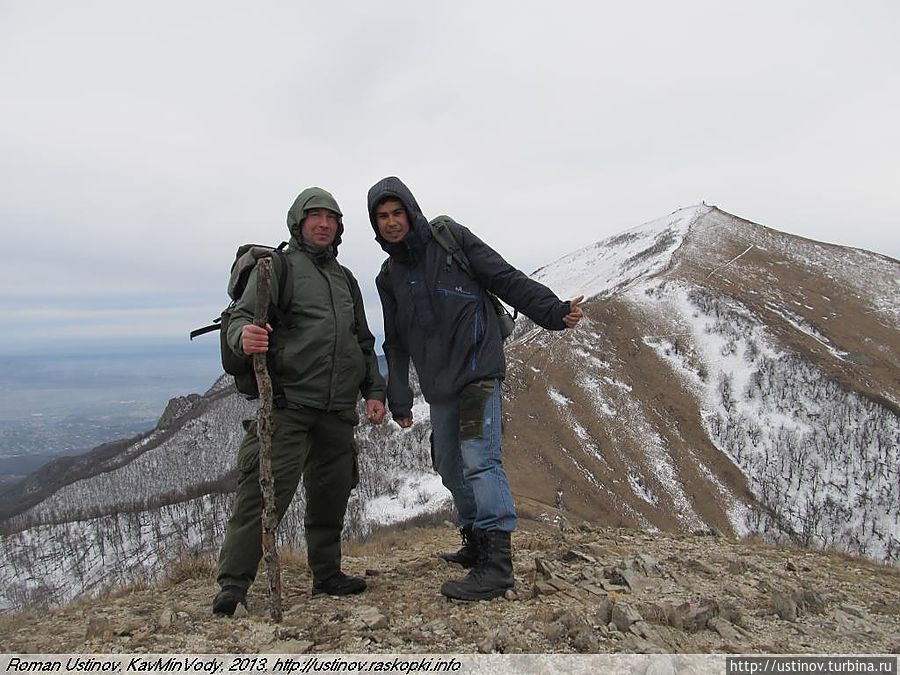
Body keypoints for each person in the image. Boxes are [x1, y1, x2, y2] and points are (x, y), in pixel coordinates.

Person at [368, 176, 584, 601]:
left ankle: (497, 566)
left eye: (397, 213)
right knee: (449, 467)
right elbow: (394, 342)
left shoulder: (451, 239)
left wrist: (554, 313)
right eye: (382, 217)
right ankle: (475, 542)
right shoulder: (388, 276)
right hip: (439, 382)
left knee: (480, 461)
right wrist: (399, 397)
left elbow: (504, 277)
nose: (392, 222)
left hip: (479, 369)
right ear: (375, 226)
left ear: (411, 211)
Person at [213, 187, 386, 616]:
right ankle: (234, 585)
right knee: (261, 494)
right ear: (299, 221)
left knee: (331, 495)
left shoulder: (346, 280)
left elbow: (362, 342)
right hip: (288, 406)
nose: (324, 224)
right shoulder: (278, 268)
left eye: (331, 218)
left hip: (337, 411)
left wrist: (375, 391)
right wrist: (243, 336)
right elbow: (238, 317)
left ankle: (326, 575)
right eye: (315, 216)